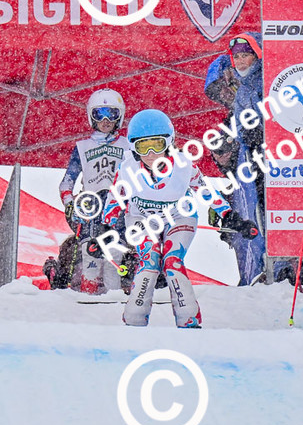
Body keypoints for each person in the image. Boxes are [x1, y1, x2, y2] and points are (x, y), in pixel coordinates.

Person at [101, 110, 258, 328]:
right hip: (141, 217)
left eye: (157, 145)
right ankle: (135, 318)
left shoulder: (184, 166)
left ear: (169, 143)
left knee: (172, 262)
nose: (151, 154)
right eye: (143, 147)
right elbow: (114, 200)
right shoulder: (127, 169)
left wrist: (231, 217)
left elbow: (206, 191)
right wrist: (104, 230)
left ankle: (188, 319)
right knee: (149, 261)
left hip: (179, 216)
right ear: (133, 149)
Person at [204, 33, 266, 284]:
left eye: (245, 55)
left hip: (269, 163)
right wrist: (225, 155)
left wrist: (259, 133)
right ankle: (254, 272)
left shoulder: (262, 82)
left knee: (265, 216)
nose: (226, 93)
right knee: (253, 219)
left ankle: (269, 269)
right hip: (248, 171)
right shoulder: (240, 98)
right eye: (220, 91)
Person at [58, 89, 129, 294]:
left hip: (117, 208)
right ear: (91, 116)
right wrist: (70, 204)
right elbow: (66, 183)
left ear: (120, 116)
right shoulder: (82, 147)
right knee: (90, 256)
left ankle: (113, 299)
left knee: (114, 257)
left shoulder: (127, 146)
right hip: (91, 208)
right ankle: (89, 299)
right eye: (100, 114)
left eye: (112, 114)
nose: (106, 120)